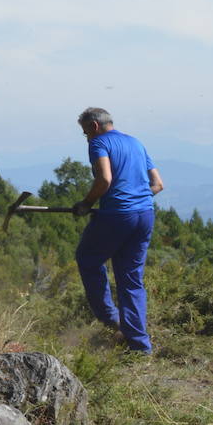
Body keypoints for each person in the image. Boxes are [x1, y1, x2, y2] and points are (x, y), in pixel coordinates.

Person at [72, 107, 164, 355]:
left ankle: (111, 322)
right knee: (131, 279)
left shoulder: (98, 143)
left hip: (117, 215)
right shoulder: (136, 143)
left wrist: (86, 204)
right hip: (145, 215)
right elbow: (158, 184)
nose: (86, 138)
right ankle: (139, 347)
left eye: (85, 132)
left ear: (93, 126)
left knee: (88, 259)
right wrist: (137, 199)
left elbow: (104, 180)